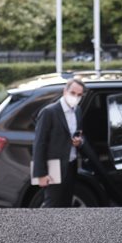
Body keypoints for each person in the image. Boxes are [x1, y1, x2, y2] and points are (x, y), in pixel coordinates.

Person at [31, 78, 86, 207]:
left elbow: (76, 134)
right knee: (52, 205)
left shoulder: (77, 110)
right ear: (64, 91)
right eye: (73, 93)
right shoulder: (49, 112)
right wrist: (41, 174)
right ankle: (46, 228)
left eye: (79, 95)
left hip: (71, 166)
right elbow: (39, 143)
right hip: (54, 167)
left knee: (66, 203)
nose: (76, 97)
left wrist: (79, 142)